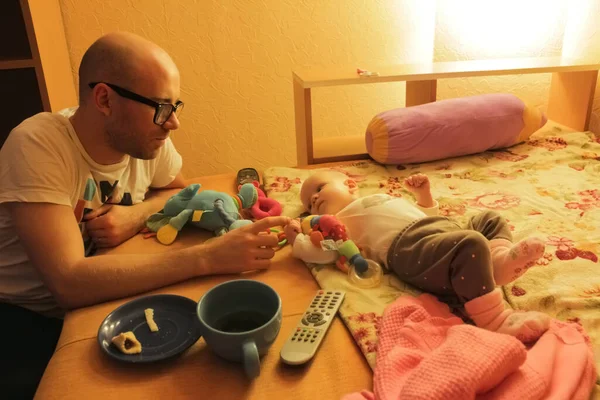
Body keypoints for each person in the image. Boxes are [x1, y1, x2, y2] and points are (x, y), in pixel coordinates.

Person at [0, 32, 288, 399]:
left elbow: (176, 189)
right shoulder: (38, 144)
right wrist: (208, 257)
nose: (173, 124)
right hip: (23, 316)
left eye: (175, 107)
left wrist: (136, 214)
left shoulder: (145, 139)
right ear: (104, 99)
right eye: (161, 107)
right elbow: (68, 282)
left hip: (96, 298)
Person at [285, 170, 550, 342]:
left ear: (350, 184)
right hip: (408, 250)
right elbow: (327, 254)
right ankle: (495, 320)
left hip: (439, 229)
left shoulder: (381, 197)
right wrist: (297, 241)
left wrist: (424, 195)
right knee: (470, 244)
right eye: (309, 203)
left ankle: (500, 262)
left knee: (488, 219)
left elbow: (424, 216)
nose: (315, 199)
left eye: (319, 188)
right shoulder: (338, 224)